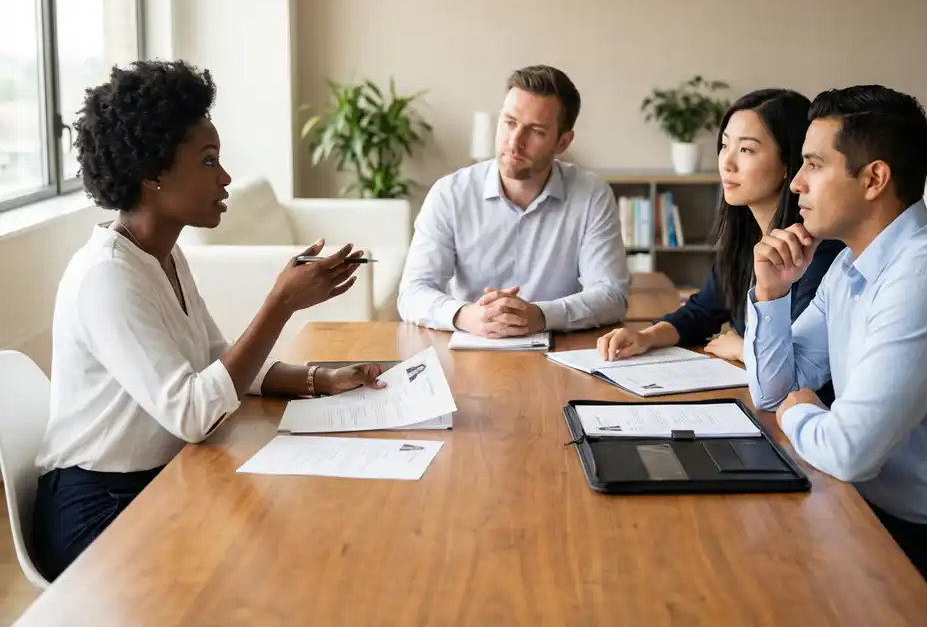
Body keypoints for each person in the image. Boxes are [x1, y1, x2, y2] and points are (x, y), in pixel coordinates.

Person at [33, 60, 387, 581]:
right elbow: (194, 413)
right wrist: (279, 304)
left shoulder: (165, 255)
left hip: (162, 476)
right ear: (153, 173)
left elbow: (215, 364)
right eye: (208, 161)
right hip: (97, 508)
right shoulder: (107, 277)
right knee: (260, 569)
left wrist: (320, 379)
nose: (224, 178)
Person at [745, 85, 927, 626]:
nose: (796, 184)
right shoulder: (852, 265)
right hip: (885, 520)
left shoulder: (924, 279)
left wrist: (800, 411)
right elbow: (772, 391)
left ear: (874, 179)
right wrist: (772, 294)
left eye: (813, 165)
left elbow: (847, 451)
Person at [596, 90, 844, 384]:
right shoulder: (745, 239)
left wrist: (742, 348)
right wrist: (646, 337)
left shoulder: (817, 251)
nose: (726, 163)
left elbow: (799, 363)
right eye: (725, 145)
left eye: (746, 150)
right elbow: (703, 311)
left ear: (789, 164)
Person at [397, 64, 628, 336]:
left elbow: (612, 295)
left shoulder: (591, 195)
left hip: (560, 353)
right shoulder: (450, 193)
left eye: (536, 131)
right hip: (471, 350)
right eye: (509, 122)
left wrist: (541, 315)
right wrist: (465, 315)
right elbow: (413, 292)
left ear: (562, 142)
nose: (515, 142)